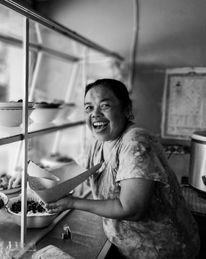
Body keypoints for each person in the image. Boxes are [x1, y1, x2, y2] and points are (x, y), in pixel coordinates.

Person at [42, 78, 200, 258]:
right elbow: (73, 171)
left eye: (105, 105)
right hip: (129, 247)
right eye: (88, 107)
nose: (95, 113)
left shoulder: (136, 142)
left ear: (126, 110)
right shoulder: (99, 143)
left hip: (163, 250)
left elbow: (132, 209)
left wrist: (72, 203)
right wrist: (33, 177)